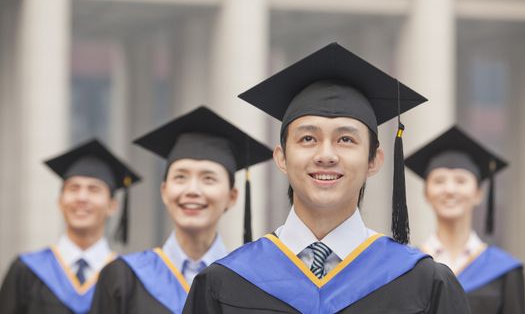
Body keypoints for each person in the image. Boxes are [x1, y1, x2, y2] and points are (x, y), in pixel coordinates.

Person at [183, 42, 471, 313]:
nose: (326, 155)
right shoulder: (224, 283)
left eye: (345, 139)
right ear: (281, 158)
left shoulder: (424, 284)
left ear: (374, 160)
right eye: (308, 138)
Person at [89, 106, 273, 314]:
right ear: (164, 191)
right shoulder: (122, 278)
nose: (192, 190)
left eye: (208, 178)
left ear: (232, 197)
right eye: (180, 177)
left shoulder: (252, 284)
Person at [0, 139, 141, 314]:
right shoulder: (26, 270)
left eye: (94, 189)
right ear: (60, 201)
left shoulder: (128, 277)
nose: (82, 198)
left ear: (112, 205)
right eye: (73, 188)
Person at [405, 125, 524, 314]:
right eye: (439, 181)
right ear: (426, 193)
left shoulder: (504, 271)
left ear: (478, 193)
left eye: (461, 181)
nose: (450, 190)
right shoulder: (407, 267)